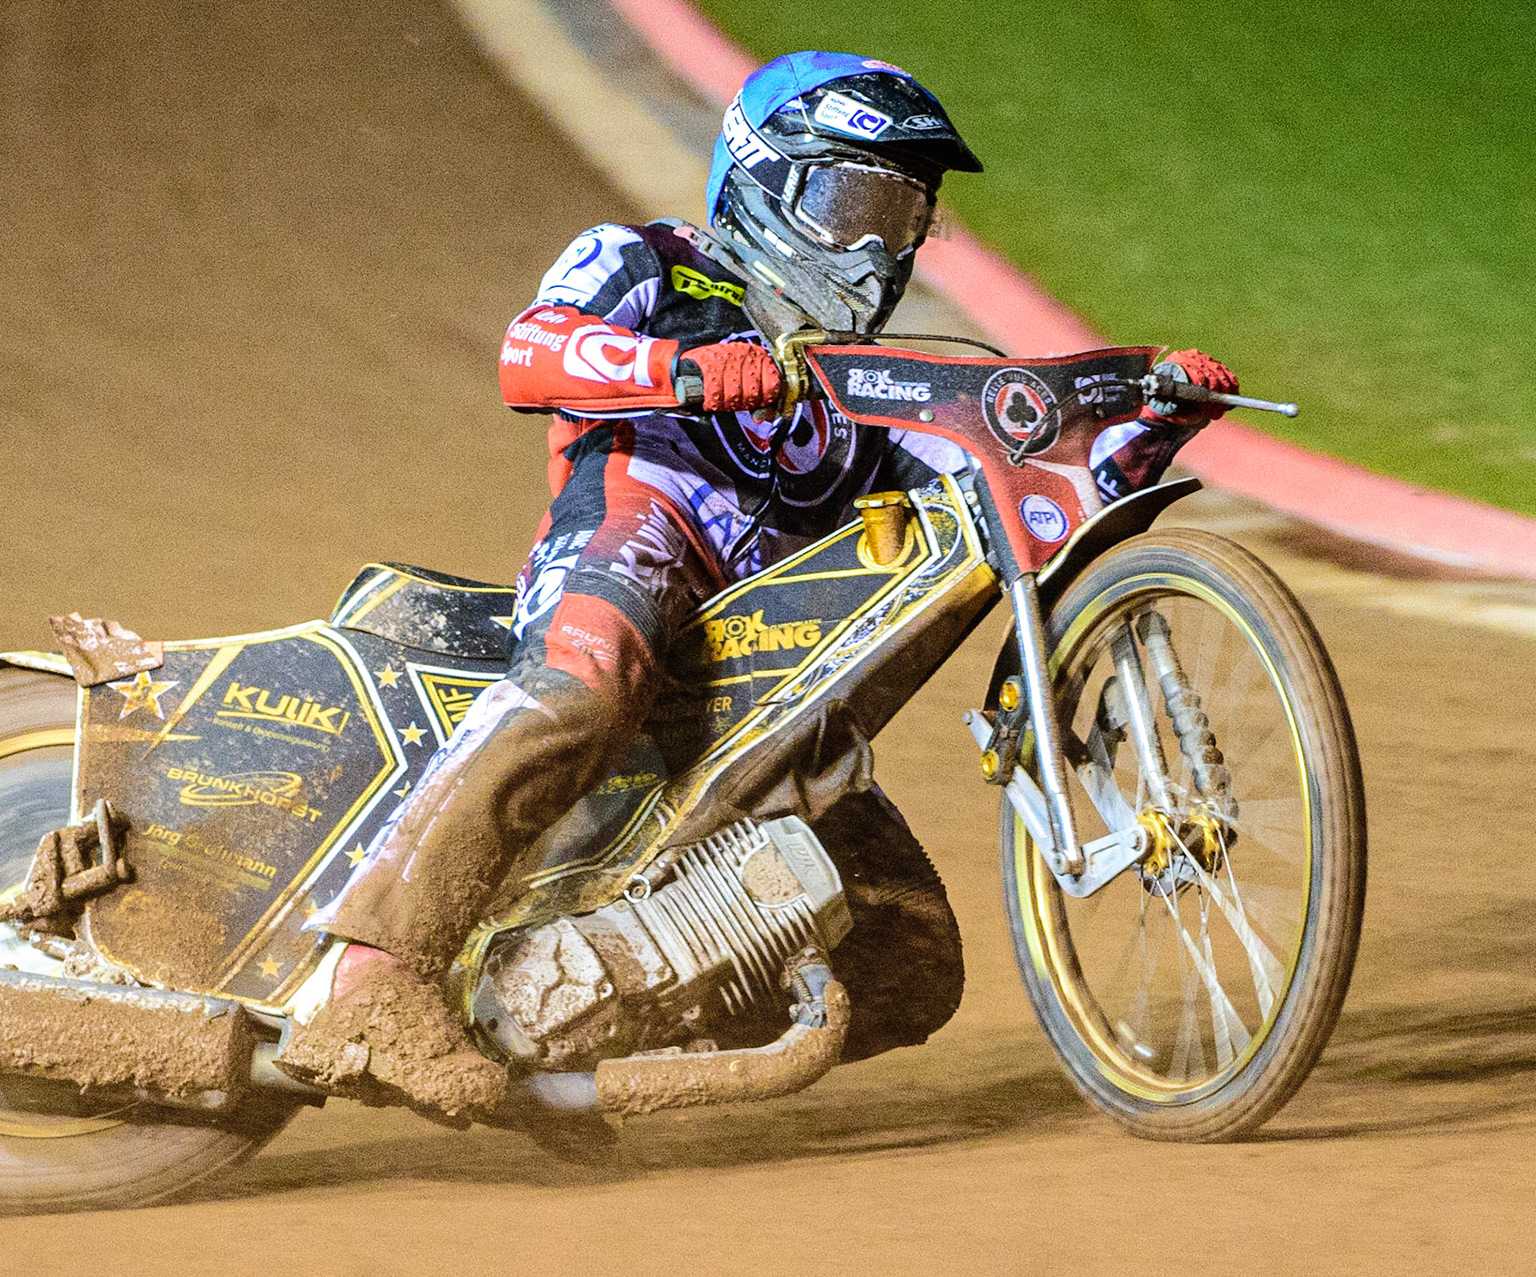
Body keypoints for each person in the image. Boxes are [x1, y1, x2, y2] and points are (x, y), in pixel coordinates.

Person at [276, 51, 1237, 1117]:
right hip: (646, 528)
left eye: (907, 212)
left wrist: (1140, 433)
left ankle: (573, 1030)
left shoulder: (880, 382)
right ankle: (372, 976)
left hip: (770, 666)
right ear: (766, 180)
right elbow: (529, 352)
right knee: (589, 676)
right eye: (855, 201)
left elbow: (1001, 503)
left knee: (911, 959)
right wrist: (684, 371)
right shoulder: (646, 260)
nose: (882, 246)